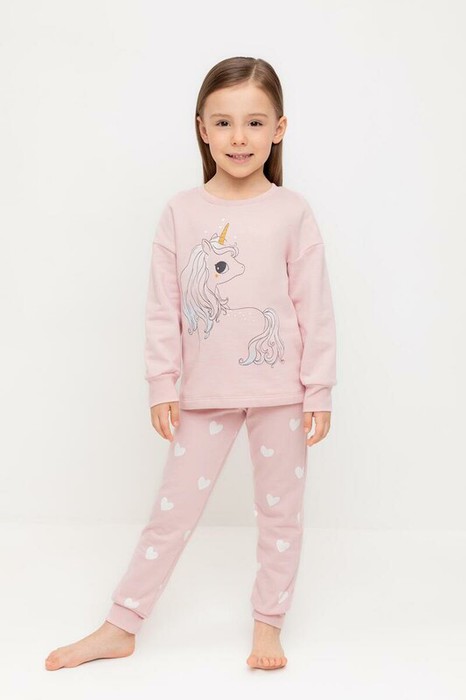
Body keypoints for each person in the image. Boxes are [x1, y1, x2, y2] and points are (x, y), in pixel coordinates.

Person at [45, 55, 337, 672]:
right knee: (170, 515)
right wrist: (162, 382)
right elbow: (164, 306)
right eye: (224, 123)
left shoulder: (293, 212)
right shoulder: (182, 212)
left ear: (279, 129)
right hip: (204, 393)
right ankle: (122, 624)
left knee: (280, 515)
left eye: (254, 122)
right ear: (202, 129)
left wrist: (319, 391)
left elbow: (314, 307)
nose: (239, 137)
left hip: (281, 392)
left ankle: (268, 625)